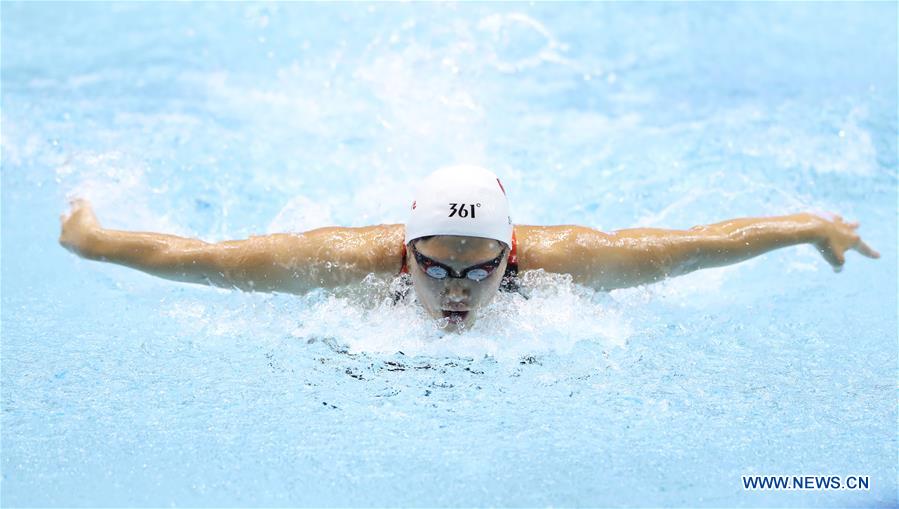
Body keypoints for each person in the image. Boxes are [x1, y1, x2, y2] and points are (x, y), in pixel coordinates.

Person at [59, 165, 880, 331]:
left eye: (478, 268)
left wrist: (809, 228)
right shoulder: (343, 258)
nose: (456, 289)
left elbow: (694, 246)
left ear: (510, 251)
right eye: (435, 267)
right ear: (404, 252)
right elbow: (202, 259)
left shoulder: (567, 258)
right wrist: (92, 241)